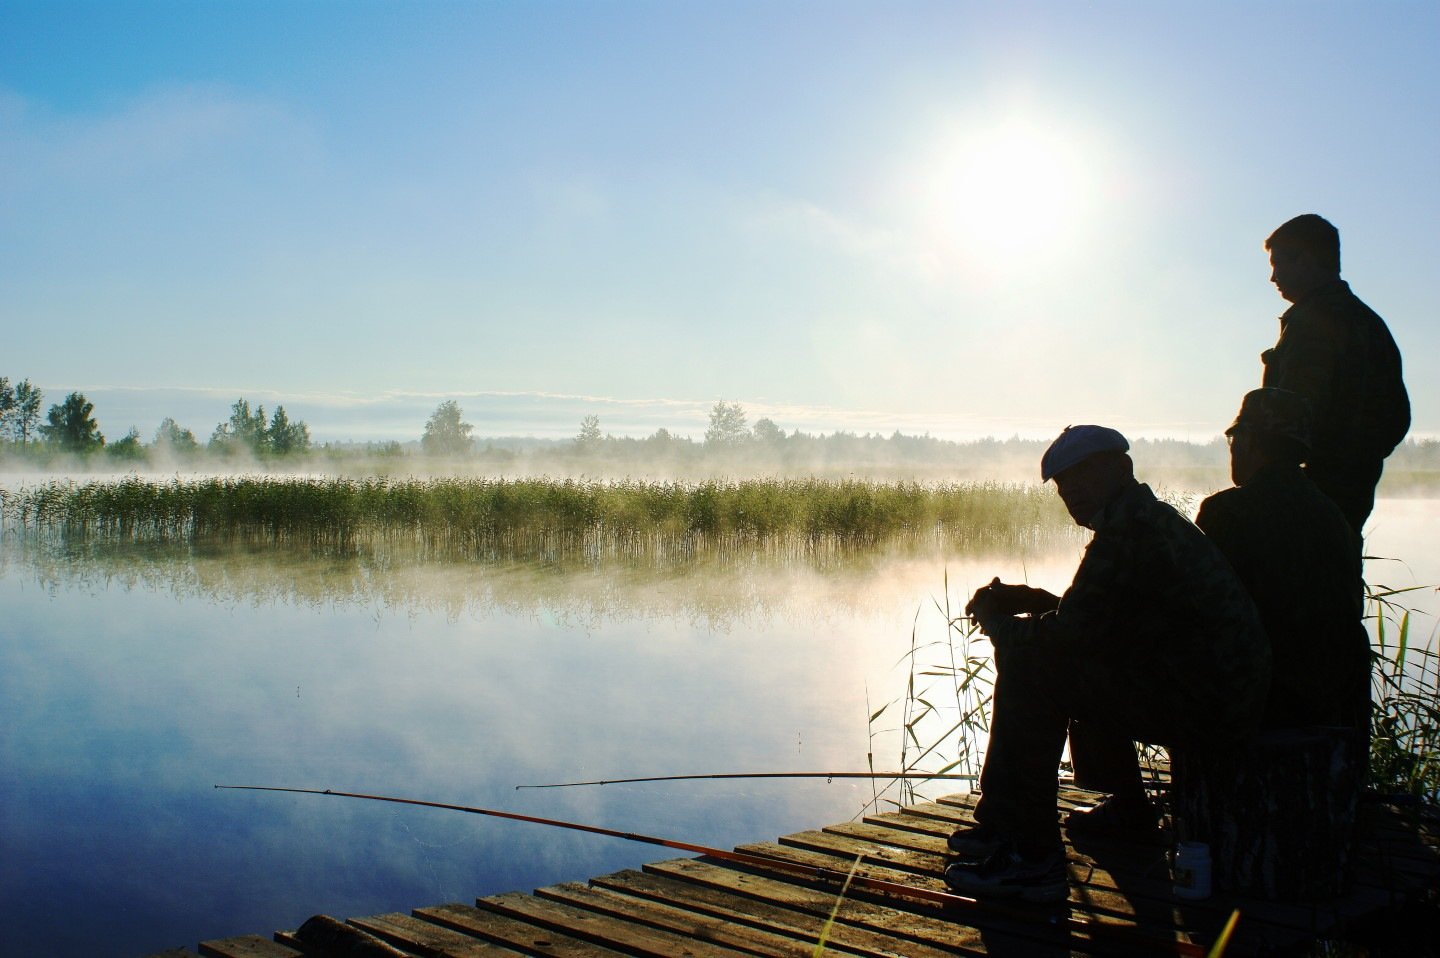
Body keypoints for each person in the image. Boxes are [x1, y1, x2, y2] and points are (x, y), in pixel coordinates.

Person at [943, 425, 1269, 901]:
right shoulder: (1144, 519)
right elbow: (1107, 622)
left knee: (1033, 669)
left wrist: (996, 622)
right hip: (1214, 689)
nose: (1070, 492)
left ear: (1121, 468)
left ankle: (1032, 859)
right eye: (1061, 485)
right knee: (1063, 664)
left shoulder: (1128, 531)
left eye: (1081, 477)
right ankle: (1113, 818)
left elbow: (1065, 641)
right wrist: (1036, 599)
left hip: (1211, 703)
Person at [1196, 387, 1370, 731]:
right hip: (1330, 708)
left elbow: (1200, 609)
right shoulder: (1333, 517)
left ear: (1247, 442)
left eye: (1233, 441)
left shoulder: (1227, 513)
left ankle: (1116, 787)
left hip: (1260, 703)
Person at [1260, 213, 1409, 533]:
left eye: (1279, 263)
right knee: (1340, 574)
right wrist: (1360, 463)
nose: (1273, 277)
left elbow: (1293, 410)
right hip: (1353, 493)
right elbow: (1397, 417)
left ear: (1308, 259)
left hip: (1307, 493)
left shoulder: (1312, 323)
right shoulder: (1370, 323)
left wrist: (1291, 472)